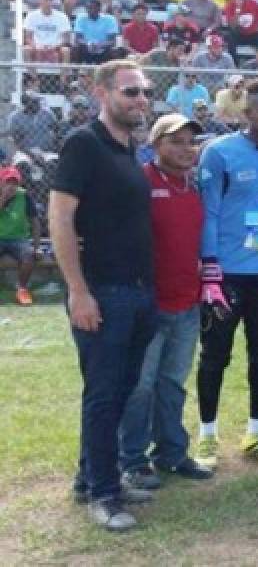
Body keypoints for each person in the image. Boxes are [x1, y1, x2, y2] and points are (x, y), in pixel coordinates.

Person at [50, 60, 157, 531]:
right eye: (130, 92)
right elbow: (60, 218)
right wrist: (78, 291)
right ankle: (104, 495)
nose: (140, 100)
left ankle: (91, 478)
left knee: (119, 392)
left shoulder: (127, 149)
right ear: (102, 93)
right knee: (103, 395)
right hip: (103, 293)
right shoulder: (84, 144)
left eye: (145, 92)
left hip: (135, 292)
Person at [194, 78, 258, 469]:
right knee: (214, 357)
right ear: (247, 114)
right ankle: (207, 437)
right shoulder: (220, 153)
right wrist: (210, 266)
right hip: (226, 277)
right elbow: (210, 212)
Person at [117, 113, 214, 491]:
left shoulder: (193, 186)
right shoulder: (141, 181)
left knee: (172, 382)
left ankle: (172, 452)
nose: (185, 149)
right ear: (155, 145)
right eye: (175, 141)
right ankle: (133, 460)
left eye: (191, 142)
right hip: (148, 303)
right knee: (140, 385)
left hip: (185, 303)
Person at [0, 167, 41, 305]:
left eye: (14, 183)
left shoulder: (24, 196)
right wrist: (3, 199)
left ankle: (21, 289)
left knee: (29, 256)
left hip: (19, 239)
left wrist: (36, 247)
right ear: (1, 183)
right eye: (8, 182)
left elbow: (35, 222)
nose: (11, 186)